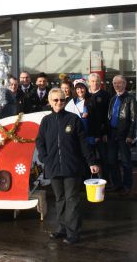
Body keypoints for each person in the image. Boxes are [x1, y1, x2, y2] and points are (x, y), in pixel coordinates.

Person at [35, 88, 99, 245]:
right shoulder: (46, 121)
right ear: (50, 102)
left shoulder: (73, 119)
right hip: (54, 166)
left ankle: (73, 232)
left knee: (72, 199)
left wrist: (91, 162)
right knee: (60, 199)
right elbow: (40, 141)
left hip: (72, 166)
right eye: (55, 100)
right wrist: (45, 158)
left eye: (62, 100)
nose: (59, 103)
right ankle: (62, 228)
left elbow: (83, 143)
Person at [107, 75, 137, 194]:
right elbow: (109, 116)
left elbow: (134, 119)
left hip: (124, 135)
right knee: (111, 160)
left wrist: (130, 135)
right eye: (115, 83)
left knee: (126, 161)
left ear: (125, 84)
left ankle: (127, 186)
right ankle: (116, 184)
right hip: (112, 134)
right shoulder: (113, 99)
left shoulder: (130, 98)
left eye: (119, 83)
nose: (117, 85)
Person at [88, 73, 111, 183]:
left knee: (103, 158)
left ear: (100, 82)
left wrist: (105, 133)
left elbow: (108, 116)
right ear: (89, 82)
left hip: (102, 134)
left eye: (97, 81)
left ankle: (106, 180)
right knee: (91, 158)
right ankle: (92, 180)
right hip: (88, 134)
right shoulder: (85, 96)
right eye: (92, 81)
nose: (94, 83)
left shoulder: (106, 95)